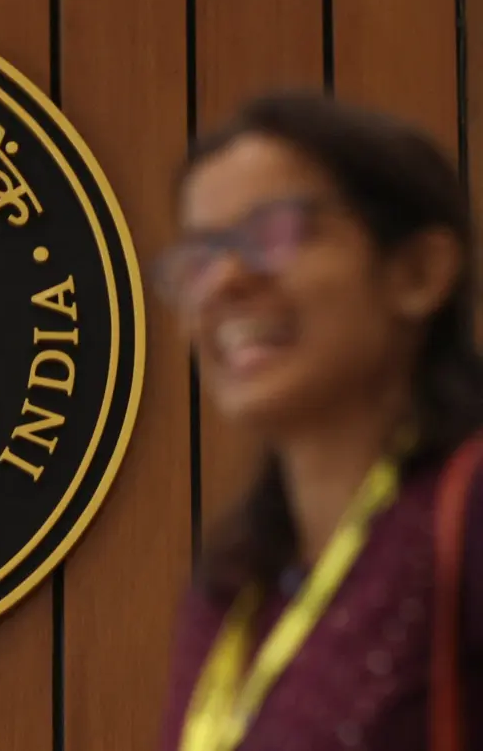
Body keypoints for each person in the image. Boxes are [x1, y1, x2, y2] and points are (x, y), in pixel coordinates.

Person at [153, 92, 483, 750]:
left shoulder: (468, 510)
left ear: (418, 272)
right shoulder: (236, 586)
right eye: (201, 255)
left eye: (276, 232)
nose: (225, 283)